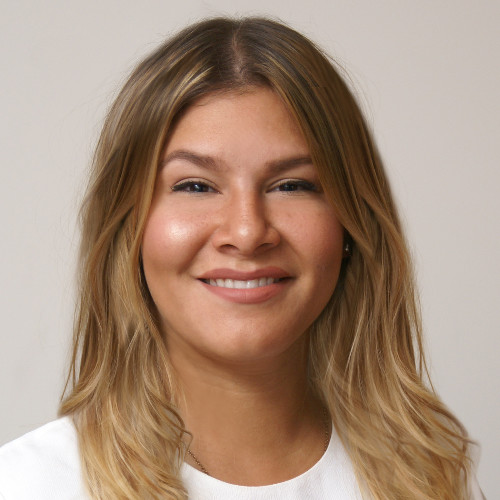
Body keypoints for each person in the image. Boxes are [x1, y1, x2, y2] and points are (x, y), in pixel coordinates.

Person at [0, 16, 484, 500]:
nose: (248, 233)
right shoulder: (28, 485)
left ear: (351, 223)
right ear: (130, 227)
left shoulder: (431, 481)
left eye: (292, 185)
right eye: (196, 186)